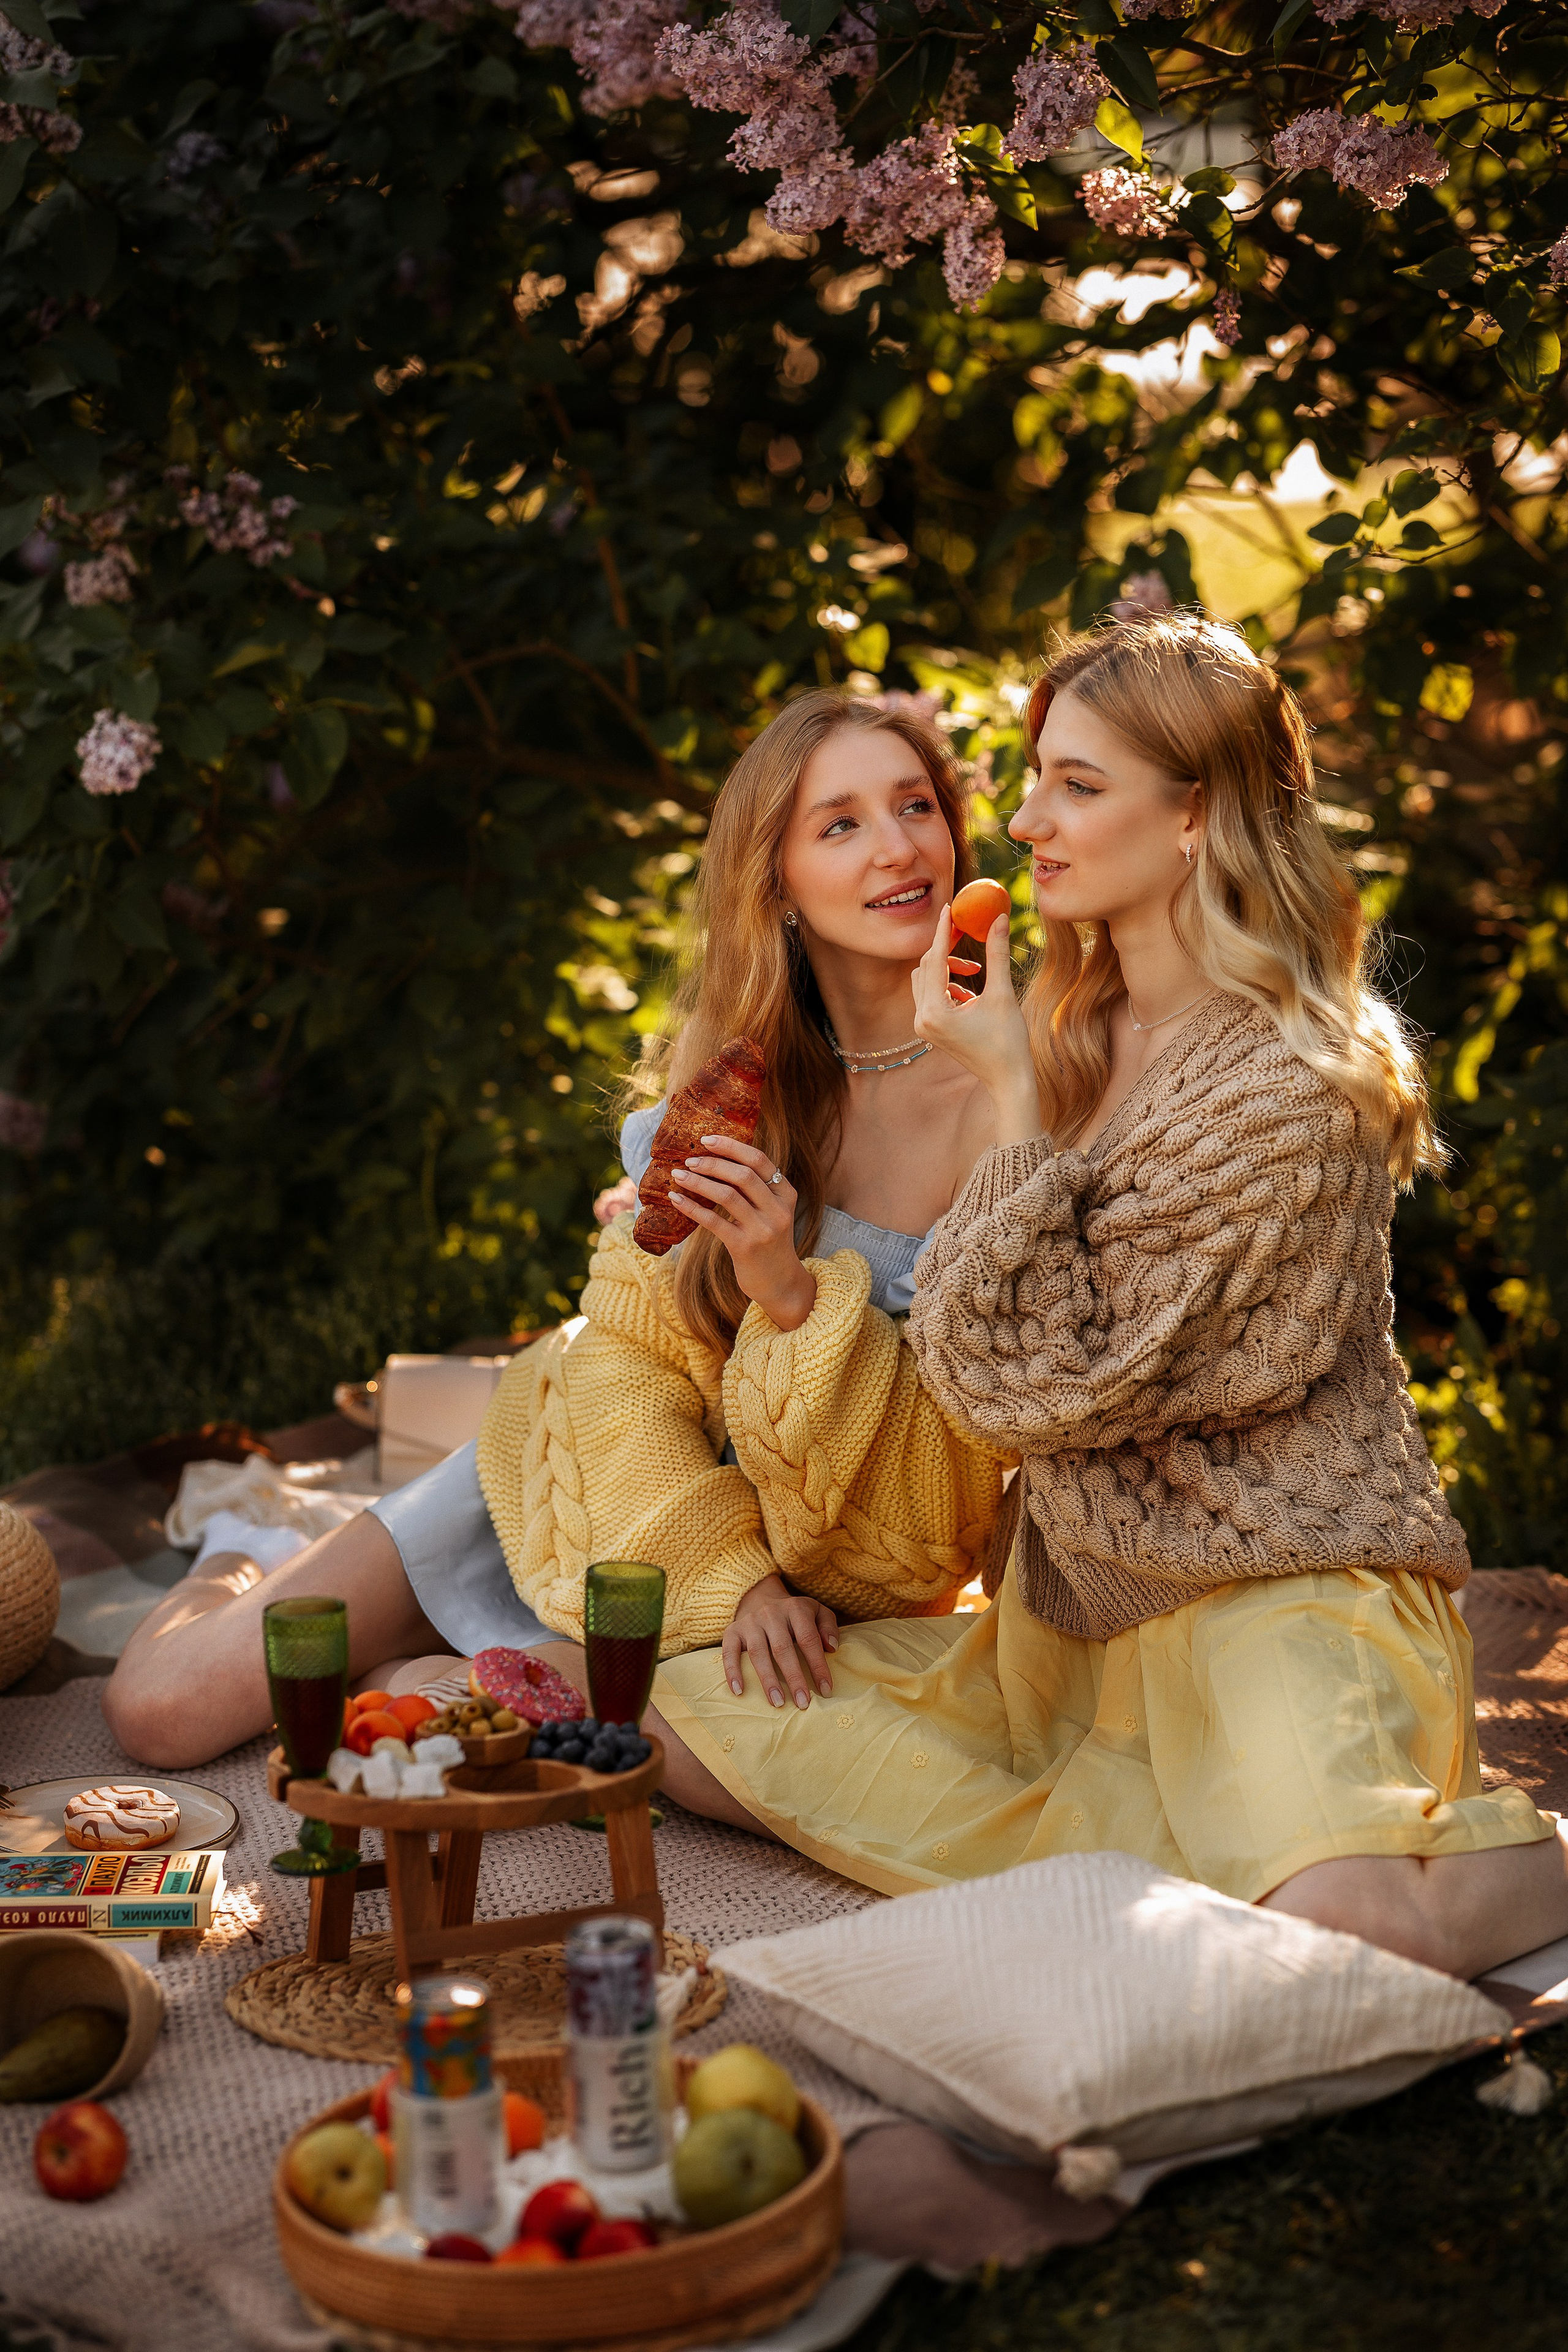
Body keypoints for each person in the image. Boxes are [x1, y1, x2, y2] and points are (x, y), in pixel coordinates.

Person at [611, 614, 1568, 1978]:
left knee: (1347, 1924)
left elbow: (1026, 1385)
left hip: (1274, 1590)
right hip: (1072, 1624)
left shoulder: (1288, 1084)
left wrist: (1001, 1098)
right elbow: (936, 1319)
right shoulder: (1066, 1018)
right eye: (1031, 776)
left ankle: (1488, 1853)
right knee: (691, 1718)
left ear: (1195, 816)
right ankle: (1207, 1849)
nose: (1021, 820)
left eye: (1076, 785)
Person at [102, 690, 1009, 1773]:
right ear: (778, 884)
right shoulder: (736, 1087)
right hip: (587, 1493)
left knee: (493, 1723)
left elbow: (955, 1484)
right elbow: (623, 1364)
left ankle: (424, 1660)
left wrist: (792, 1296)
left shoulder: (1014, 1096)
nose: (898, 848)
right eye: (842, 823)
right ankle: (244, 1545)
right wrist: (734, 1578)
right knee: (160, 1714)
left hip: (810, 1590)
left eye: (916, 806)